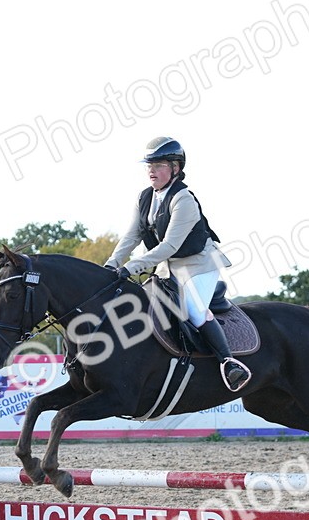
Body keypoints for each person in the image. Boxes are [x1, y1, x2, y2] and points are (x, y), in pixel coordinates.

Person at [104, 136, 251, 391]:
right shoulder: (145, 197)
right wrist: (111, 264)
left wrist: (131, 267)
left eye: (159, 165)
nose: (152, 170)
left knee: (194, 310)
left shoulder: (184, 200)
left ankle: (229, 362)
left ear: (175, 168)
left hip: (199, 265)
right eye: (149, 165)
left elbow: (169, 246)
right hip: (169, 266)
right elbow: (132, 236)